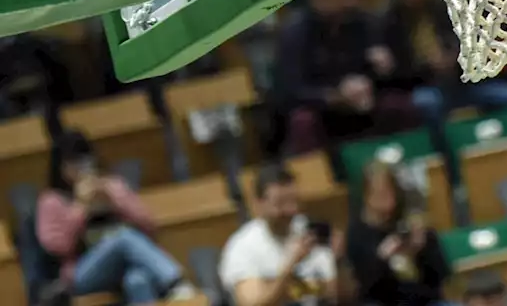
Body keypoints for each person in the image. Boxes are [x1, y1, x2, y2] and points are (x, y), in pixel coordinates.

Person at [36, 131, 192, 304]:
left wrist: (115, 200)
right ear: (61, 168)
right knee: (122, 237)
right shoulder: (51, 201)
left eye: (85, 161)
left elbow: (149, 225)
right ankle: (174, 280)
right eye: (74, 163)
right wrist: (82, 207)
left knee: (138, 280)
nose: (81, 168)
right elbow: (59, 246)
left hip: (124, 266)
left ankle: (177, 288)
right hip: (83, 272)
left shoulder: (112, 186)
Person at [273, 0, 420, 155]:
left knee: (399, 105)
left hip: (366, 102)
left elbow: (396, 72)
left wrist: (382, 71)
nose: (349, 3)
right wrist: (334, 96)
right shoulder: (295, 33)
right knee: (302, 121)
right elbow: (290, 91)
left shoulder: (363, 22)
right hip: (324, 109)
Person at [219, 163, 355, 306]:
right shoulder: (242, 246)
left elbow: (342, 297)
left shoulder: (310, 230)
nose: (291, 210)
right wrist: (290, 265)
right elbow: (252, 303)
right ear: (259, 204)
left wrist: (338, 261)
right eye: (280, 203)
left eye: (294, 201)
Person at [346, 160, 450, 305]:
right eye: (379, 193)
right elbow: (367, 286)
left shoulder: (412, 221)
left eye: (389, 191)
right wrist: (383, 258)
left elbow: (442, 274)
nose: (387, 200)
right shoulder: (357, 233)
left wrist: (419, 249)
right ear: (366, 195)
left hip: (423, 300)